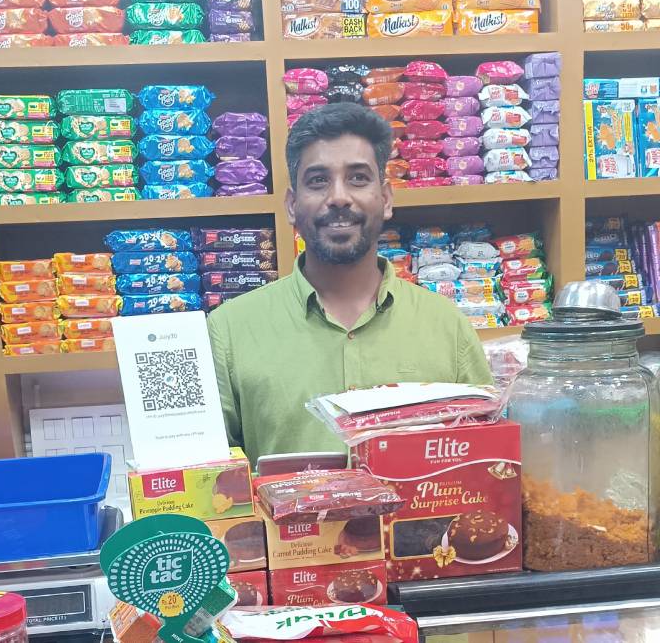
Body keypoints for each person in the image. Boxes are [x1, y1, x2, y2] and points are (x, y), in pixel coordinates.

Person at [208, 103, 493, 461]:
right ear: (292, 205)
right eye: (318, 181)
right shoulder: (230, 331)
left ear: (385, 199)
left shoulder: (446, 326)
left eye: (358, 178)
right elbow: (213, 477)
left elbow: (485, 461)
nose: (339, 197)